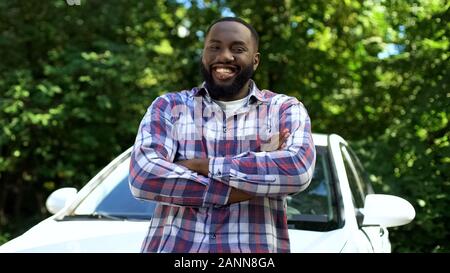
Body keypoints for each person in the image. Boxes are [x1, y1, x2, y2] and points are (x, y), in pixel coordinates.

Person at [129, 17, 316, 253]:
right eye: (215, 47)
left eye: (238, 49)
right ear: (204, 54)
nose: (225, 56)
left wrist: (198, 165)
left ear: (255, 60)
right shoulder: (168, 107)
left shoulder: (283, 109)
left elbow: (296, 169)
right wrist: (251, 176)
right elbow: (143, 177)